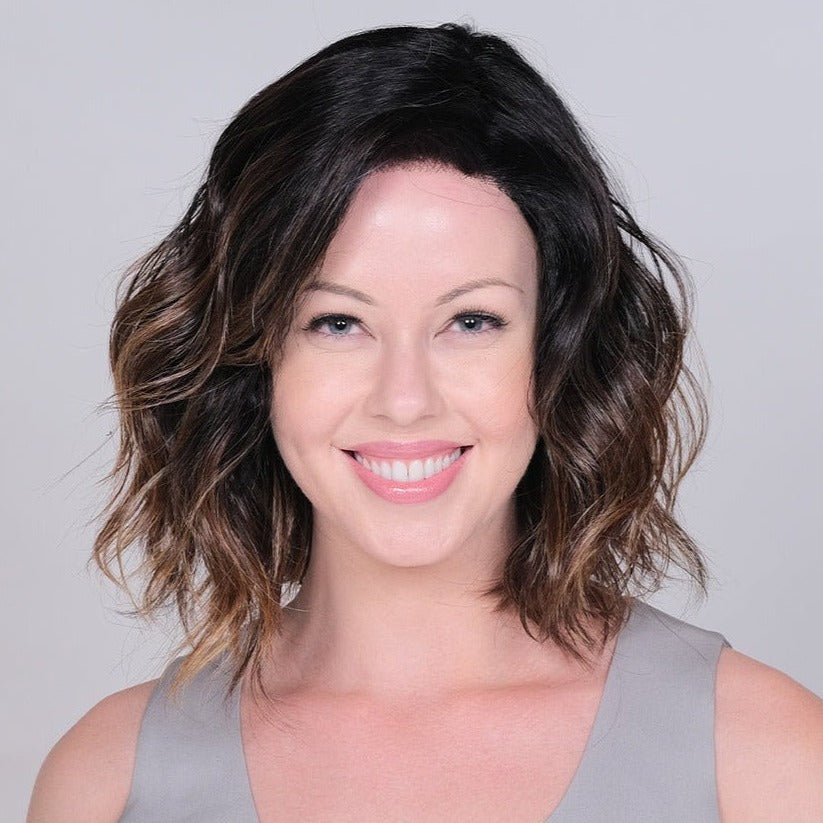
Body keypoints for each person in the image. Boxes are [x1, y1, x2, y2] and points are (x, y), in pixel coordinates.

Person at [28, 21, 822, 823]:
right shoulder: (107, 780)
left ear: (557, 351)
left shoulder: (762, 757)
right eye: (337, 322)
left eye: (471, 321)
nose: (403, 398)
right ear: (254, 360)